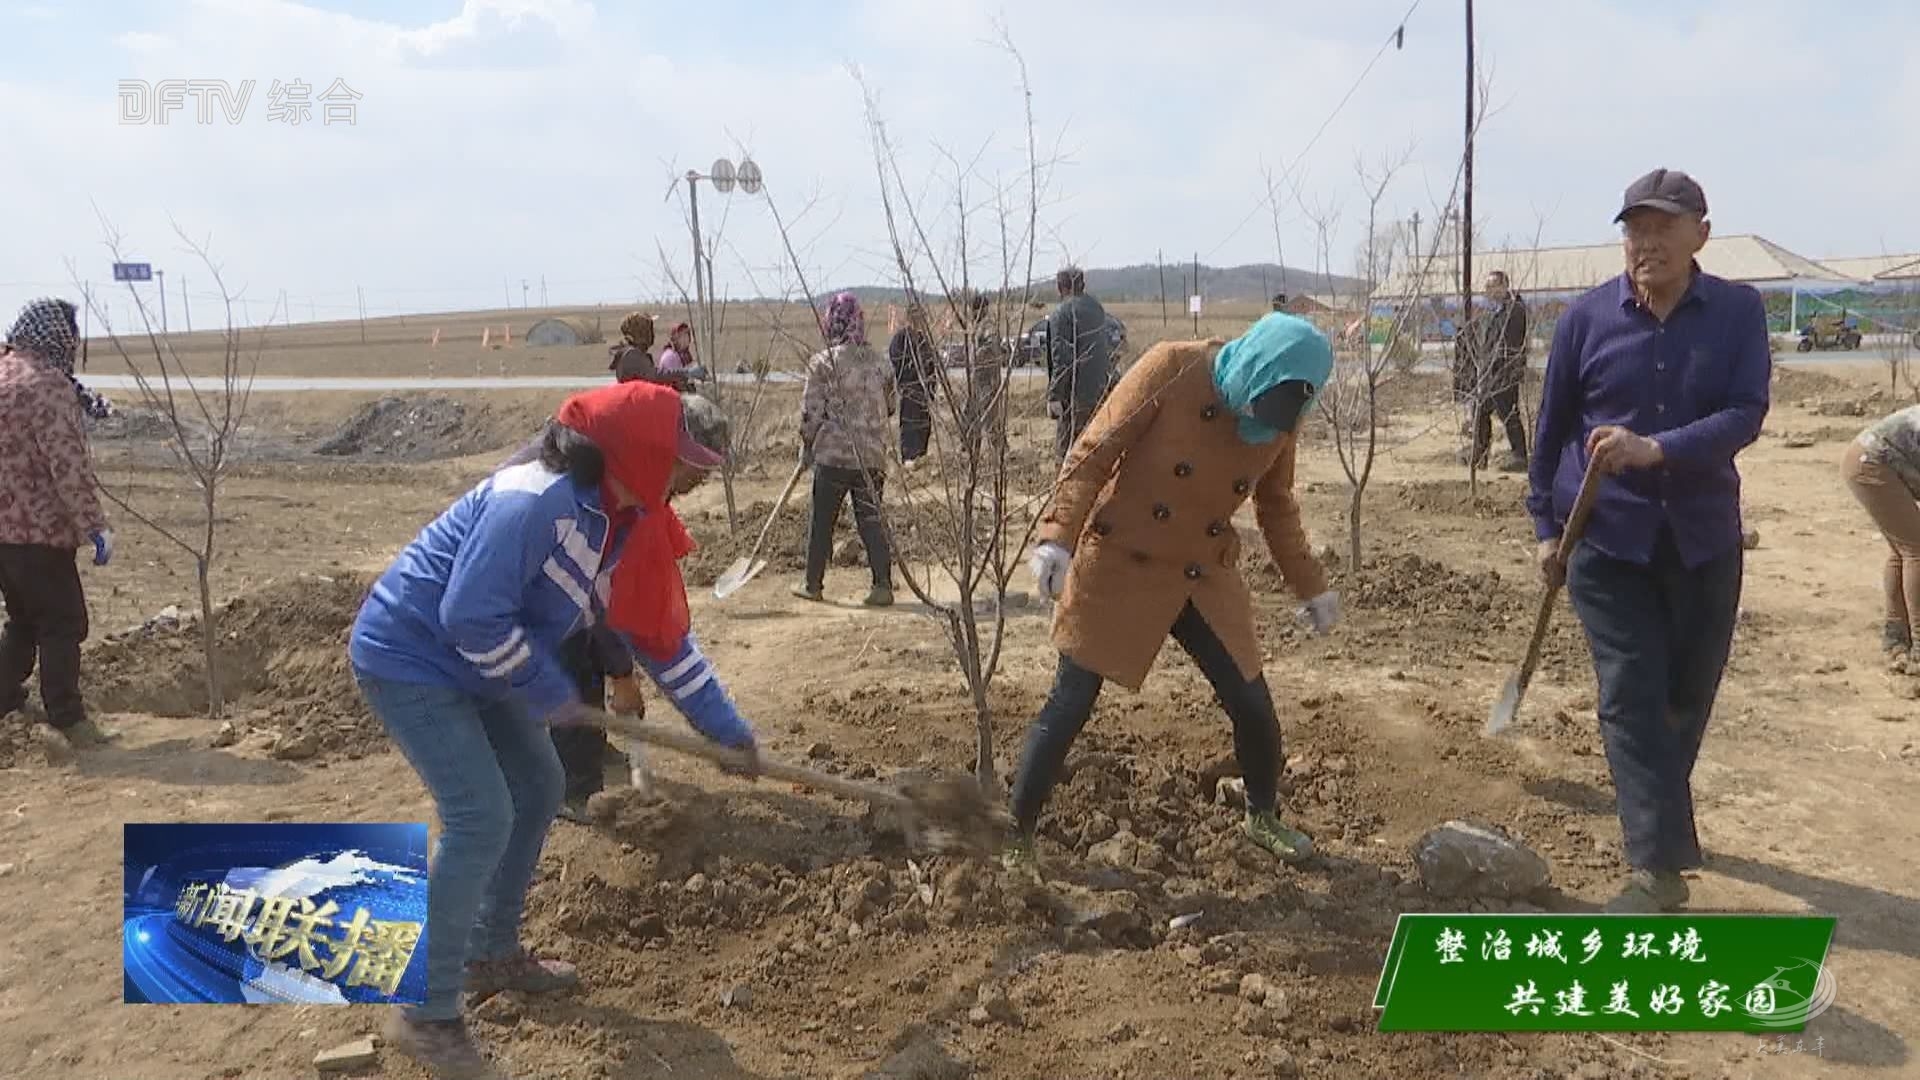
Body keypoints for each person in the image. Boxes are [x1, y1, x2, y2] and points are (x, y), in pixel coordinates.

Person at [349, 382, 759, 1078]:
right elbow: (469, 615)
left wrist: (726, 731)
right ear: (651, 451)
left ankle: (490, 950)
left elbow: (660, 641)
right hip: (412, 655)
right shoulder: (536, 500)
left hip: (478, 665)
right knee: (480, 814)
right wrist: (546, 688)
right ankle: (428, 1011)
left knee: (540, 785)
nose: (692, 485)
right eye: (690, 467)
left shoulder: (623, 516)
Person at [1010, 313, 1343, 873]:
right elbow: (1095, 451)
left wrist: (1309, 585)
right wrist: (1057, 539)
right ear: (1257, 369)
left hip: (1199, 568)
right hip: (1120, 559)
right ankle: (1015, 833)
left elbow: (1276, 504)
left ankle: (1262, 814)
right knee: (1070, 703)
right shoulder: (1173, 366)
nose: (1260, 427)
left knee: (1251, 703)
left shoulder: (1283, 410)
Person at [1528, 168, 1769, 914]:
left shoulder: (1737, 312)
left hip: (1702, 538)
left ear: (1701, 232)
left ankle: (1659, 813)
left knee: (1685, 694)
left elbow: (1744, 413)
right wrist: (1543, 524)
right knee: (1631, 689)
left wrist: (1656, 449)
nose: (1647, 243)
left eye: (1663, 227)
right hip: (1607, 538)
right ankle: (1655, 873)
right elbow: (1552, 427)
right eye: (1635, 229)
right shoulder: (1585, 320)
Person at [0, 298, 115, 748]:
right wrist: (95, 526)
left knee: (24, 620)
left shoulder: (4, 374)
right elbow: (66, 466)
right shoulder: (45, 386)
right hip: (38, 532)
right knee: (63, 622)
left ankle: (5, 700)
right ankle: (68, 719)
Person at [794, 292, 897, 607]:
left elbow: (811, 413)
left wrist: (807, 444)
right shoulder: (881, 363)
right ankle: (882, 585)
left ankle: (813, 583)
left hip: (834, 457)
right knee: (871, 519)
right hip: (871, 457)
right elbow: (890, 407)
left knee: (822, 520)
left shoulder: (824, 362)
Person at [1841, 404, 1920, 662]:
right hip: (1873, 461)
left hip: (1872, 457)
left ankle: (1897, 637)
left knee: (1903, 550)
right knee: (1915, 550)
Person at [1044, 267, 1116, 462]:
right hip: (1101, 391)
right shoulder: (1097, 309)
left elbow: (1062, 359)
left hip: (1074, 398)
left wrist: (1055, 396)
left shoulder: (1061, 314)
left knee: (1066, 456)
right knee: (1094, 451)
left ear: (1061, 287)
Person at [1462, 270, 1531, 472]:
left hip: (1505, 373)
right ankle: (1480, 454)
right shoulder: (1496, 312)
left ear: (1504, 286)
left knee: (1508, 413)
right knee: (1481, 410)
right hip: (1491, 374)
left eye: (1493, 286)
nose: (1489, 291)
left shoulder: (1514, 310)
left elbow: (1510, 344)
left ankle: (1519, 455)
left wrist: (1502, 368)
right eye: (1487, 287)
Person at [889, 302, 938, 464]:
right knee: (910, 431)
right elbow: (897, 362)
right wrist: (913, 369)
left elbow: (932, 368)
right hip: (909, 396)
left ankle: (920, 459)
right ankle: (908, 461)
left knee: (923, 430)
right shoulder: (900, 339)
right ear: (910, 317)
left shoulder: (925, 341)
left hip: (923, 397)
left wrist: (931, 390)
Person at [607, 312, 658, 384]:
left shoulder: (629, 352)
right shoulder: (632, 355)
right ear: (640, 332)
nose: (652, 334)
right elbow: (655, 376)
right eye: (648, 329)